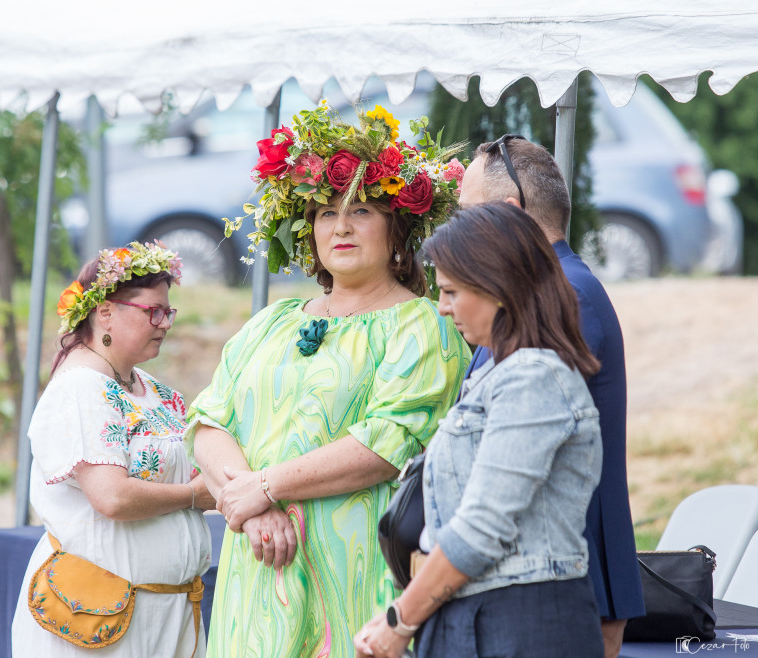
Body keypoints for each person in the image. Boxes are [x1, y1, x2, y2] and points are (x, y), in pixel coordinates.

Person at [187, 103, 469, 657]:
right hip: (258, 567)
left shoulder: (421, 325)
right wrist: (255, 501)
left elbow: (389, 445)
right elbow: (208, 422)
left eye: (361, 210)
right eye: (324, 213)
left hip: (354, 571)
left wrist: (267, 487)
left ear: (398, 229)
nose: (339, 225)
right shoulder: (271, 322)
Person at [355, 202, 605, 657]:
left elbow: (481, 526)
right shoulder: (499, 373)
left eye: (451, 291)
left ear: (500, 288)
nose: (442, 307)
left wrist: (400, 620)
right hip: (476, 611)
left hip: (521, 619)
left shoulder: (533, 376)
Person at [458, 135, 645, 657]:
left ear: (509, 213)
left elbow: (516, 441)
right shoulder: (542, 289)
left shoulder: (566, 295)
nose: (460, 233)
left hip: (564, 582)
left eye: (467, 216)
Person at [11, 242, 216, 657]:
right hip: (98, 620)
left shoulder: (153, 390)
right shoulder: (81, 389)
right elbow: (113, 496)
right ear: (105, 311)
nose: (165, 323)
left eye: (168, 312)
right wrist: (196, 496)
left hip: (165, 613)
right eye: (153, 311)